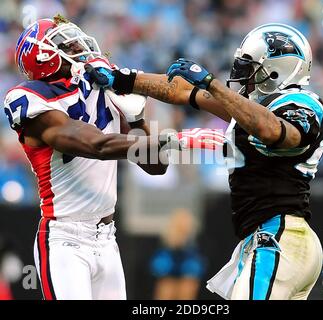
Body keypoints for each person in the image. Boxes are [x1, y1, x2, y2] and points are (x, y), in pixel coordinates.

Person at [88, 23, 323, 300]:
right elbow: (181, 92)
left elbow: (273, 131)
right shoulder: (254, 109)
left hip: (281, 237)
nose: (241, 73)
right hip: (275, 238)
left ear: (277, 69)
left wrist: (212, 83)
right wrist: (123, 80)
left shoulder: (303, 102)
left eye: (251, 66)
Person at [3, 15, 223, 300]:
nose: (79, 46)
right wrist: (174, 139)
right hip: (64, 239)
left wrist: (138, 120)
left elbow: (155, 166)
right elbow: (97, 145)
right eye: (67, 45)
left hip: (107, 238)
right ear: (44, 57)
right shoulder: (31, 99)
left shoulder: (97, 85)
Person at [150, 208, 205, 300]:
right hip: (168, 276)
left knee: (187, 286)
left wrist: (189, 271)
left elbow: (197, 265)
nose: (182, 226)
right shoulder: (166, 243)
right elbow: (157, 264)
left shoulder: (192, 244)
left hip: (186, 277)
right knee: (167, 286)